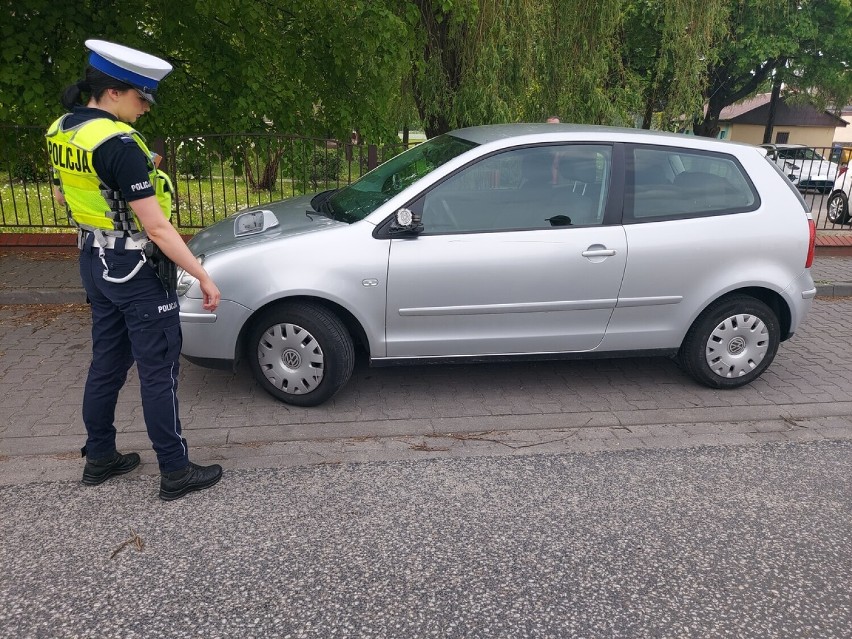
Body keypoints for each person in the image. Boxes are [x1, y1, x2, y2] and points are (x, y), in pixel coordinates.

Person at [46, 40, 223, 501]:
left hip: (94, 261)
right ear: (113, 93)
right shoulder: (118, 144)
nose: (145, 108)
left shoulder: (63, 130)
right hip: (134, 268)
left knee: (106, 362)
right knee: (157, 370)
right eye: (141, 98)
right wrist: (203, 277)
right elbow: (159, 229)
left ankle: (101, 457)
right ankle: (175, 470)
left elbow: (68, 197)